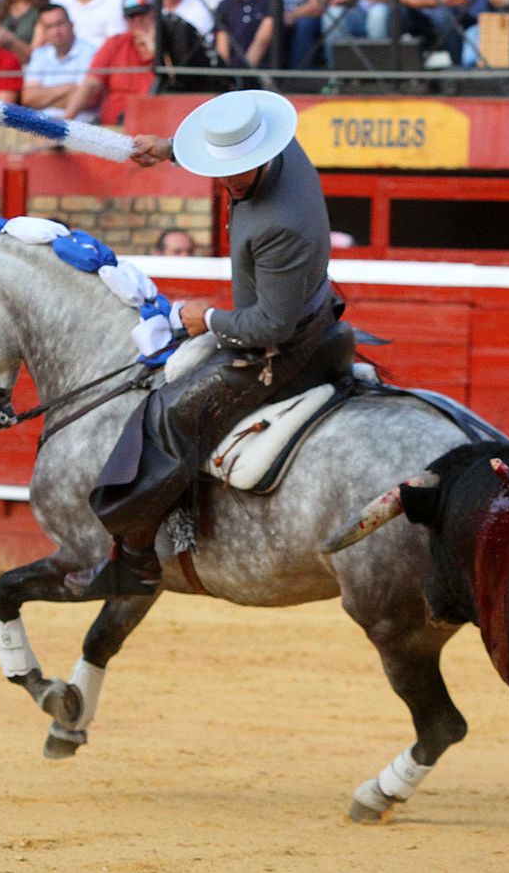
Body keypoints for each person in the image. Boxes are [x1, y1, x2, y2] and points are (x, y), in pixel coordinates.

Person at [79, 90, 341, 598]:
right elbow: (223, 148)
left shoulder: (279, 224)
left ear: (264, 156)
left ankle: (139, 559)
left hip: (286, 343)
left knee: (169, 415)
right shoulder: (282, 147)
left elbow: (271, 327)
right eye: (222, 166)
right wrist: (168, 147)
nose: (227, 180)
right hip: (306, 303)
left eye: (239, 171)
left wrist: (210, 318)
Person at [63, 0, 156, 123]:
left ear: (154, 16)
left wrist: (153, 47)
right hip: (115, 121)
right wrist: (67, 118)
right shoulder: (116, 43)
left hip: (152, 118)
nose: (138, 22)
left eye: (143, 16)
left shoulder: (169, 46)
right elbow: (91, 83)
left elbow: (173, 80)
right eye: (132, 18)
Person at [22, 4, 100, 118]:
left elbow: (91, 99)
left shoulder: (92, 53)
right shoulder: (39, 55)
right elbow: (27, 98)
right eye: (49, 27)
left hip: (81, 126)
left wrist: (42, 98)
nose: (56, 31)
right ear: (43, 31)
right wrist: (69, 88)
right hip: (42, 127)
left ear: (71, 25)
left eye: (60, 24)